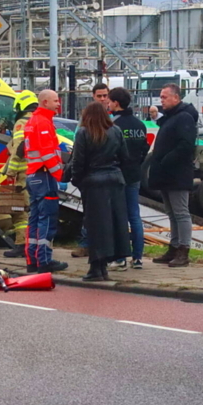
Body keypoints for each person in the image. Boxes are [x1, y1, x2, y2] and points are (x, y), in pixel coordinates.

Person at [66, 102, 131, 281]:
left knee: (95, 226)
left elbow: (78, 161)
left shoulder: (84, 132)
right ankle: (107, 265)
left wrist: (78, 180)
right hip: (115, 180)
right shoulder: (116, 131)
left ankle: (96, 267)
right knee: (114, 225)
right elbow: (125, 157)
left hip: (93, 183)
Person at [146, 83, 198, 268]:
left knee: (181, 213)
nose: (161, 101)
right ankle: (174, 247)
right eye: (161, 97)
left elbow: (186, 145)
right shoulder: (171, 117)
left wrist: (167, 160)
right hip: (167, 173)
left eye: (164, 97)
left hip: (177, 173)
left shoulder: (184, 117)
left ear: (176, 98)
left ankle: (184, 250)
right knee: (171, 212)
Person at [21, 89, 68, 274]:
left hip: (33, 175)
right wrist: (61, 175)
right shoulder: (43, 122)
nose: (58, 104)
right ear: (45, 102)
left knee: (34, 219)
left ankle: (32, 260)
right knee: (47, 219)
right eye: (56, 101)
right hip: (44, 175)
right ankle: (45, 261)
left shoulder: (33, 121)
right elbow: (48, 153)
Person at [108, 87, 149, 270]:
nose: (108, 104)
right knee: (135, 216)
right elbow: (144, 149)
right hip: (134, 174)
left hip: (118, 175)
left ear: (116, 103)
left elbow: (110, 150)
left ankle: (121, 258)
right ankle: (138, 258)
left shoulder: (113, 124)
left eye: (109, 101)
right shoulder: (139, 125)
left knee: (119, 216)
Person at [70, 82, 113, 259]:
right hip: (91, 174)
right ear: (93, 96)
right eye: (99, 96)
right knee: (88, 211)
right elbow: (78, 147)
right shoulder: (85, 122)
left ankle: (101, 246)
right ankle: (87, 243)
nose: (102, 99)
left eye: (105, 96)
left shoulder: (114, 118)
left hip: (105, 174)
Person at [0, 90, 38, 258]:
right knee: (36, 210)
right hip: (39, 171)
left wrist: (11, 171)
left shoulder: (21, 123)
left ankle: (22, 245)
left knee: (20, 211)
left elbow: (19, 149)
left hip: (24, 171)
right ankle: (33, 245)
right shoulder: (41, 120)